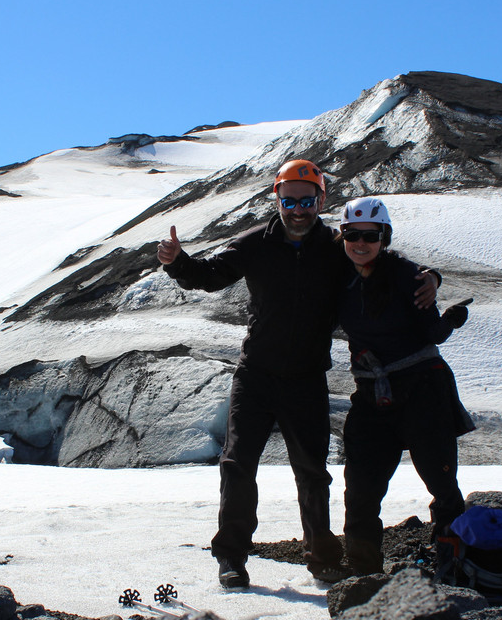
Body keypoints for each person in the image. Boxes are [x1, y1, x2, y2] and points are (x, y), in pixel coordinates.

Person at [157, 161, 438, 588]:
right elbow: (210, 276)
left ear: (320, 200)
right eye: (289, 200)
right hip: (255, 375)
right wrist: (178, 262)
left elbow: (381, 258)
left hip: (306, 378)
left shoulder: (336, 245)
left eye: (307, 200)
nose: (298, 209)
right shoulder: (255, 243)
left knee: (312, 470)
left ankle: (322, 556)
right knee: (237, 464)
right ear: (278, 199)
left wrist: (431, 276)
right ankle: (231, 557)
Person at [335, 196, 475, 577]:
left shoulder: (405, 275)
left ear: (385, 237)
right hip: (372, 394)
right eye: (352, 234)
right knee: (361, 488)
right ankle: (363, 576)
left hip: (422, 389)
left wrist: (446, 312)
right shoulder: (335, 271)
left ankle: (453, 566)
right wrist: (450, 313)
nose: (360, 243)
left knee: (441, 482)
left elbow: (432, 332)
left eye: (370, 235)